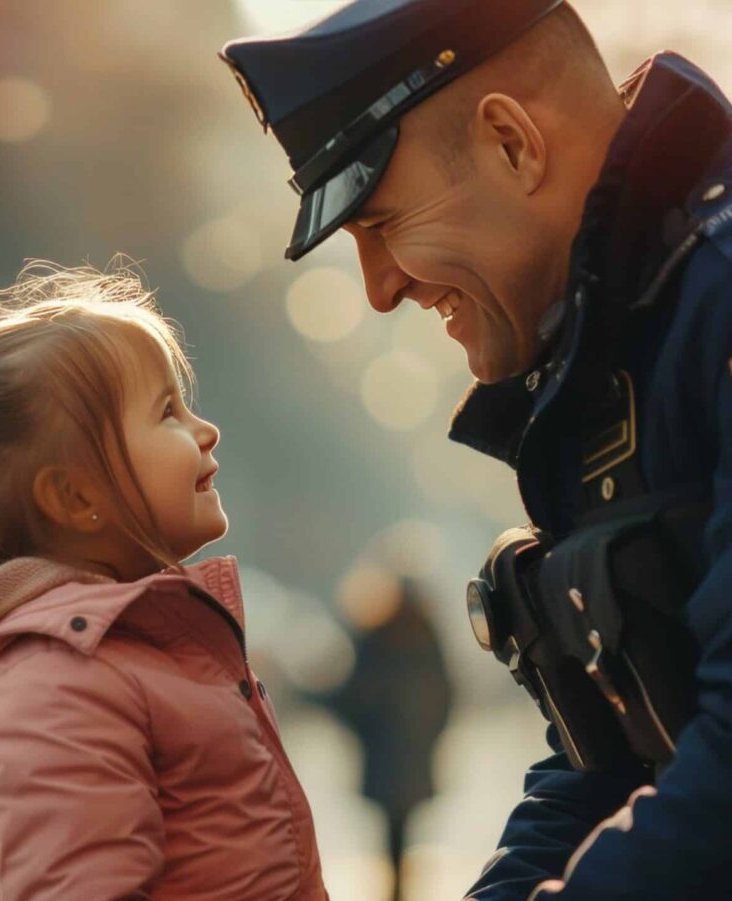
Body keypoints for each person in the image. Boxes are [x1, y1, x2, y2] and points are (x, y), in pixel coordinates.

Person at [221, 1, 732, 899]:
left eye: (381, 222)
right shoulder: (612, 344)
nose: (378, 290)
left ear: (511, 143)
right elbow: (603, 756)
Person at [0, 262, 328, 900]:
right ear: (74, 497)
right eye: (167, 413)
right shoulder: (52, 688)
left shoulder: (135, 651)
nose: (206, 431)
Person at [328, 571, 452, 901]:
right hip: (413, 753)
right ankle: (400, 890)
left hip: (385, 753)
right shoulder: (428, 639)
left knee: (392, 827)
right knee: (403, 825)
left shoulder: (376, 638)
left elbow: (353, 697)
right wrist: (430, 735)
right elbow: (447, 694)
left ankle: (397, 890)